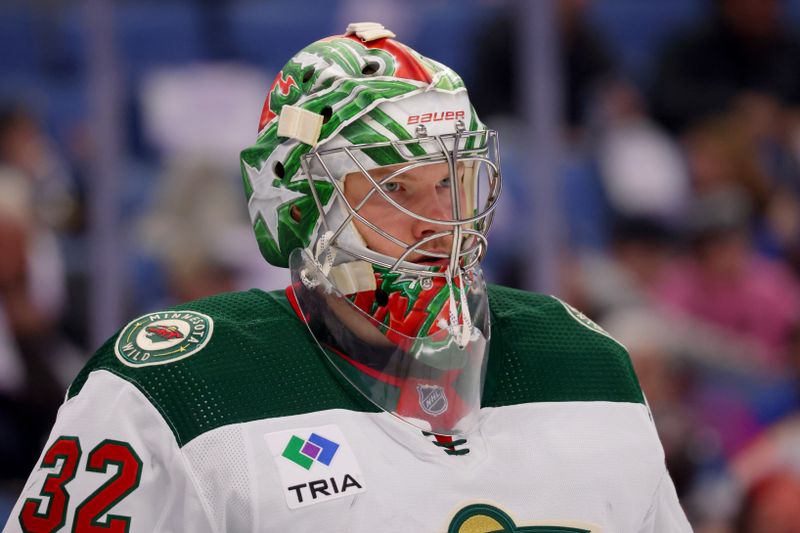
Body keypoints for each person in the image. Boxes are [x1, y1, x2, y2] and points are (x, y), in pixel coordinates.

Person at [4, 23, 691, 532]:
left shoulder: (586, 364)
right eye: (396, 188)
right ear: (301, 207)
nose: (442, 221)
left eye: (455, 182)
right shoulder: (174, 389)